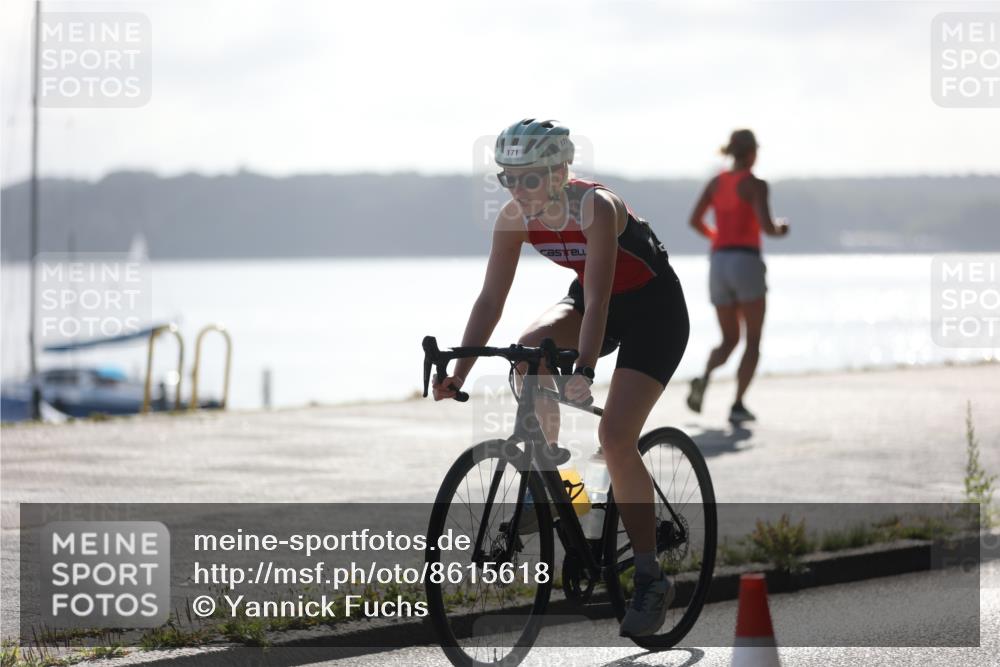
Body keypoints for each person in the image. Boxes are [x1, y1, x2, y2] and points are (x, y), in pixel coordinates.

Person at [432, 118, 690, 637]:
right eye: (508, 178)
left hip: (653, 312)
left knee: (614, 438)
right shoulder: (512, 218)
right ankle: (551, 489)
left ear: (560, 171)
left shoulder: (596, 207)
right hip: (594, 304)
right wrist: (457, 372)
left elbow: (598, 299)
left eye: (529, 178)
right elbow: (490, 300)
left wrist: (586, 371)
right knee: (528, 353)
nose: (518, 189)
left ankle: (649, 576)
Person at [686, 129, 789, 423]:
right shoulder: (755, 185)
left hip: (718, 262)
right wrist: (783, 227)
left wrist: (717, 236)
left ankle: (705, 375)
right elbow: (768, 228)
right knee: (752, 340)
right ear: (752, 153)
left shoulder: (716, 182)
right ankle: (738, 404)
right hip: (745, 260)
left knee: (729, 339)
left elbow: (694, 221)